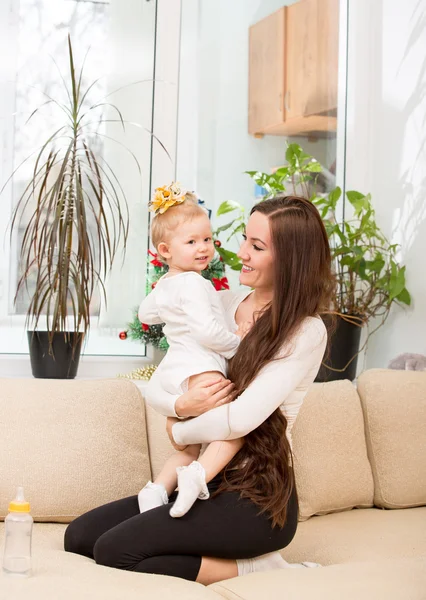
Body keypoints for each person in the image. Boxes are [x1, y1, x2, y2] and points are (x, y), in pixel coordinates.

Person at [64, 195, 334, 585]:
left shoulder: (305, 331)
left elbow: (240, 419)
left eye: (257, 247)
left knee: (114, 550)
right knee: (80, 537)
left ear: (290, 259)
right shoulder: (217, 303)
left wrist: (177, 428)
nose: (240, 251)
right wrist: (178, 403)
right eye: (245, 238)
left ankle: (258, 566)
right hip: (203, 478)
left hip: (258, 496)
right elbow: (171, 376)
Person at [137, 182, 250, 519]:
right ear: (165, 250)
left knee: (188, 448)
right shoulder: (194, 283)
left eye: (206, 239)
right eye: (191, 242)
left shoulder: (166, 285)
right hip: (202, 370)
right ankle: (194, 480)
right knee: (235, 430)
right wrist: (238, 342)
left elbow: (146, 314)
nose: (203, 248)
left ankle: (155, 490)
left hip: (176, 371)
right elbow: (206, 332)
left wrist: (173, 311)